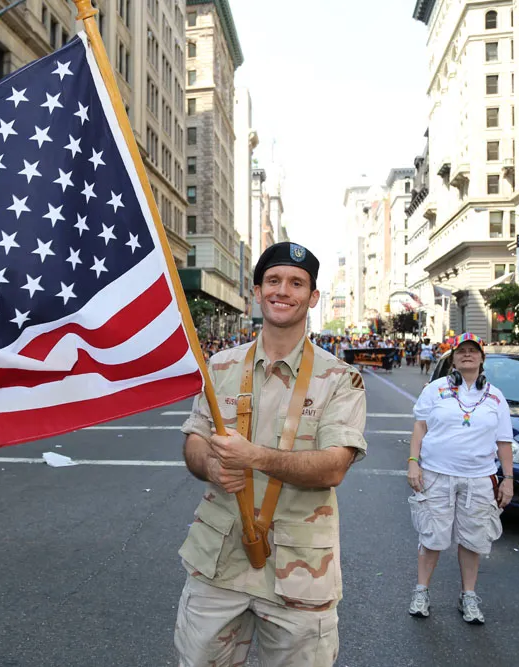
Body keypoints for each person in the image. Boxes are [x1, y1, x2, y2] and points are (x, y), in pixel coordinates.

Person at [175, 242, 368, 667]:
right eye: (274, 281)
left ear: (313, 297)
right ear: (258, 292)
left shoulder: (340, 378)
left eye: (297, 283)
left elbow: (334, 467)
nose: (283, 290)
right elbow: (194, 441)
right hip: (218, 564)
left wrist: (253, 457)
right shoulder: (219, 367)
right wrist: (210, 466)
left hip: (300, 573)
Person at [406, 333, 513, 625]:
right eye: (461, 351)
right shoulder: (435, 390)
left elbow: (504, 441)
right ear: (453, 359)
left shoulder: (495, 396)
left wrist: (508, 478)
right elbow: (419, 428)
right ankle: (421, 591)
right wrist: (413, 463)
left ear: (482, 359)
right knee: (432, 536)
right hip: (436, 474)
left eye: (473, 351)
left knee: (473, 540)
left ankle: (468, 596)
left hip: (479, 479)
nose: (467, 354)